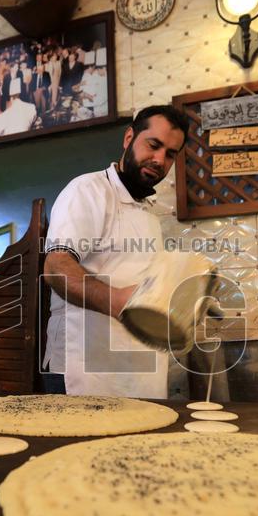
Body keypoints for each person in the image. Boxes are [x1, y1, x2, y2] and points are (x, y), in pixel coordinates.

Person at [41, 105, 188, 398]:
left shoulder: (149, 216)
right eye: (153, 145)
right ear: (129, 137)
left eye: (170, 154)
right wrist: (120, 302)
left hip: (138, 372)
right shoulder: (88, 190)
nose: (160, 160)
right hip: (84, 371)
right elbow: (56, 267)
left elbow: (142, 288)